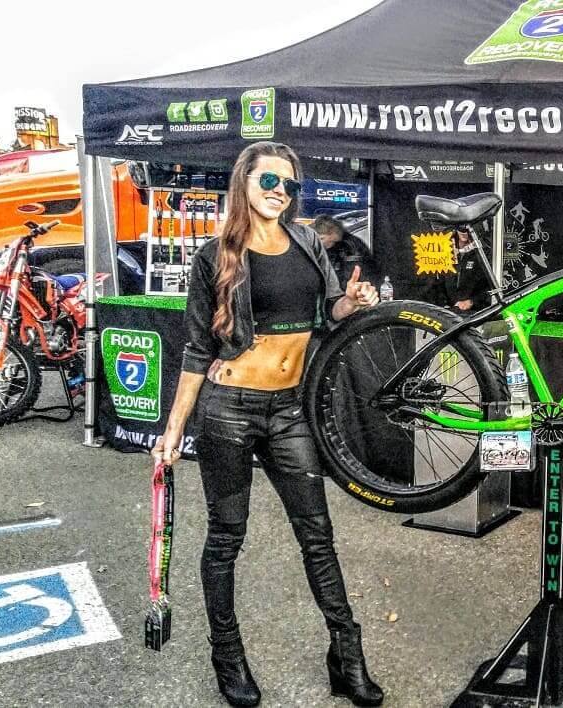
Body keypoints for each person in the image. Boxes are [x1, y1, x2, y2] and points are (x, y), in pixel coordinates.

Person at [152, 142, 384, 707]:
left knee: (317, 536)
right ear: (244, 185)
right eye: (268, 181)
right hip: (229, 409)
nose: (279, 191)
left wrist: (350, 303)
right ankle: (227, 655)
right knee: (226, 538)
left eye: (288, 183)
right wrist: (174, 429)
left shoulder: (306, 241)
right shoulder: (216, 257)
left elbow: (329, 311)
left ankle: (346, 656)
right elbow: (196, 351)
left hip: (289, 410)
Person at [313, 214, 379, 288]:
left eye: (322, 238)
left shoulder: (351, 248)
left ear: (334, 234)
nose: (319, 243)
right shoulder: (331, 246)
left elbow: (348, 280)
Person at [450, 226, 493, 312]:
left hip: (475, 311)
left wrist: (472, 301)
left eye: (468, 229)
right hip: (450, 310)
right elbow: (439, 283)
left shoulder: (482, 254)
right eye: (461, 229)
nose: (465, 233)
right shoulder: (448, 252)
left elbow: (491, 286)